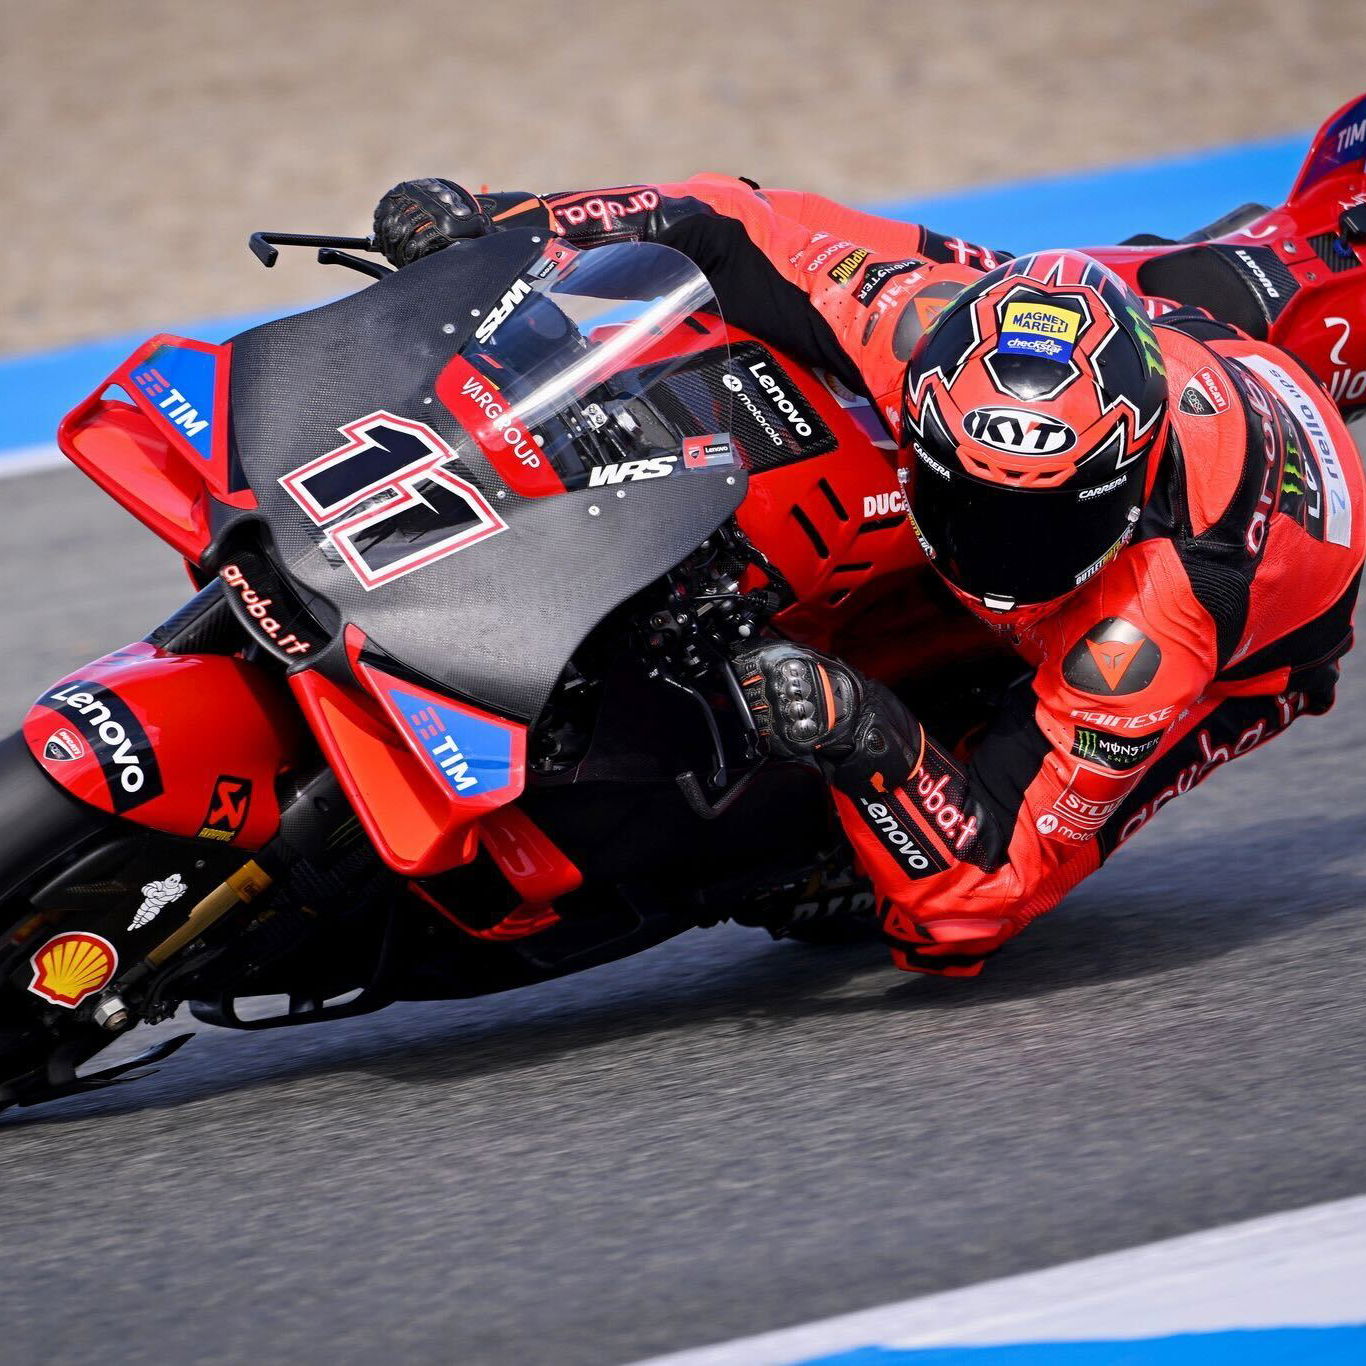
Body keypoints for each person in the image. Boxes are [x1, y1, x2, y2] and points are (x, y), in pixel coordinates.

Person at [371, 173, 1365, 977]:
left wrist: (863, 732)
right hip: (1181, 321)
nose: (1000, 549)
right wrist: (505, 219)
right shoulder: (913, 323)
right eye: (970, 498)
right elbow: (720, 221)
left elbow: (979, 902)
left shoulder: (1158, 627)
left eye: (1042, 521)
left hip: (1248, 643)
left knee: (936, 872)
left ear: (1125, 481)